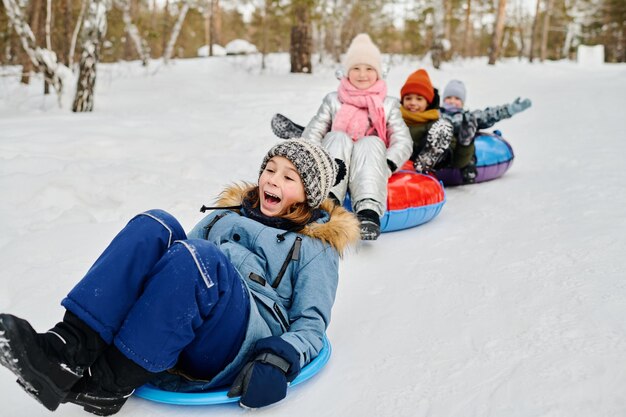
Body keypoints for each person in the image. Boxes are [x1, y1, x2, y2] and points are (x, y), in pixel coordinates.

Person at [0, 140, 360, 415]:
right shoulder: (225, 214)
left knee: (203, 258)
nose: (272, 179)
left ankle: (112, 382)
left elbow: (311, 326)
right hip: (194, 316)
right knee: (155, 225)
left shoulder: (315, 246)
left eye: (288, 176)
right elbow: (178, 267)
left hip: (241, 337)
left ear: (309, 194)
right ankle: (68, 349)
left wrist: (279, 359)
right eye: (270, 168)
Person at [300, 33, 412, 241]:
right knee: (337, 137)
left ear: (378, 73)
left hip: (370, 161)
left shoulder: (387, 104)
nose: (362, 74)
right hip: (336, 160)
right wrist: (315, 160)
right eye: (356, 68)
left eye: (369, 68)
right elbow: (313, 133)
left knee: (370, 142)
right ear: (346, 72)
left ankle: (368, 211)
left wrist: (387, 163)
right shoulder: (333, 100)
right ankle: (326, 203)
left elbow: (403, 140)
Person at [440, 79, 532, 183]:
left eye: (457, 98)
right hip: (443, 148)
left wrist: (509, 109)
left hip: (463, 148)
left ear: (462, 102)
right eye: (448, 98)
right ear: (443, 100)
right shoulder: (437, 115)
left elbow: (488, 115)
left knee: (468, 136)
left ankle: (468, 168)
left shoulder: (468, 117)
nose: (452, 101)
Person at [399, 68, 453, 173]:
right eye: (408, 98)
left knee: (436, 138)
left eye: (419, 99)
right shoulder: (396, 118)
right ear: (402, 100)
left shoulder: (433, 123)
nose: (413, 103)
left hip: (420, 163)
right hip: (397, 159)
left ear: (427, 103)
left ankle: (427, 159)